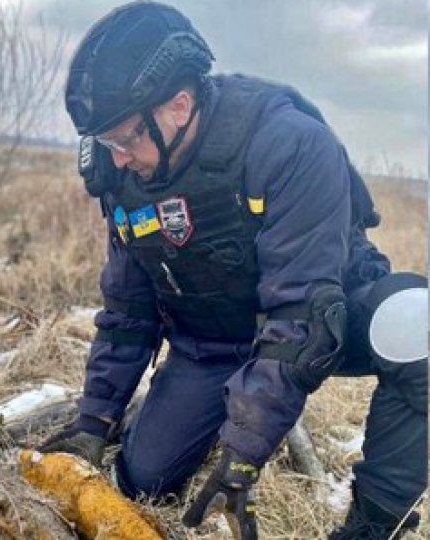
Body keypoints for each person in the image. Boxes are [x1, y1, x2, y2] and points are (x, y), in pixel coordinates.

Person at [37, 2, 428, 539]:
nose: (119, 157)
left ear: (179, 104)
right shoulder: (121, 170)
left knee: (415, 324)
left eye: (127, 137)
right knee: (143, 480)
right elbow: (128, 309)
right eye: (107, 142)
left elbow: (300, 318)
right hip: (213, 338)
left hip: (321, 316)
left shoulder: (286, 142)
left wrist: (244, 453)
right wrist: (94, 422)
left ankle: (374, 525)